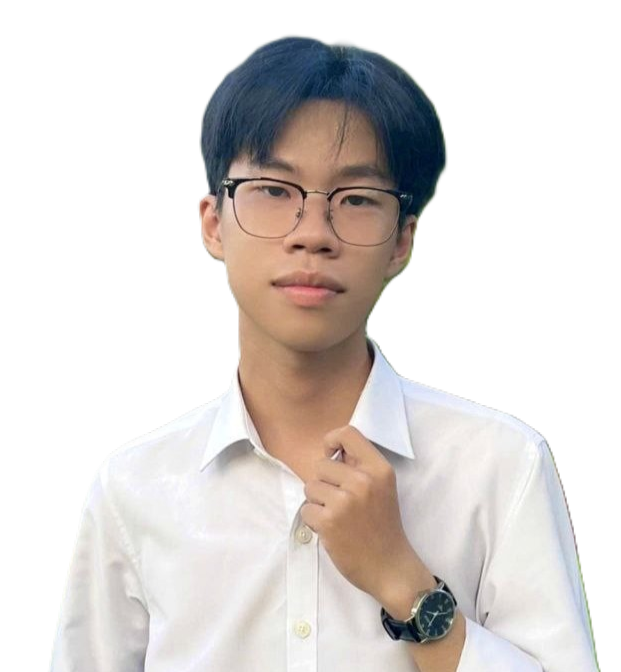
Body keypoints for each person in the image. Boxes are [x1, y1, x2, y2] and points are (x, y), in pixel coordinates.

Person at [49, 35, 597, 672]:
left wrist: (405, 584)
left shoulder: (500, 465)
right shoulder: (135, 485)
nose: (312, 234)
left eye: (357, 199)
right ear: (213, 223)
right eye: (273, 189)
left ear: (403, 240)